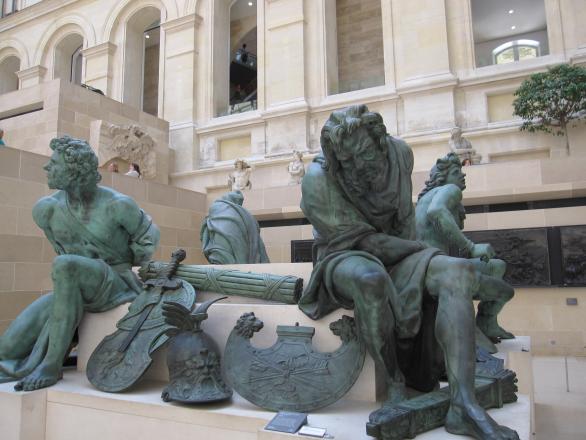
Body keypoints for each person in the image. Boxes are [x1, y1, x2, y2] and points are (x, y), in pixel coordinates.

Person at [299, 105, 518, 439]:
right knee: (371, 281)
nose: (358, 165)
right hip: (344, 254)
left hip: (400, 249)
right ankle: (394, 380)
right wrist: (419, 251)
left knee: (458, 272)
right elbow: (370, 244)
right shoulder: (318, 179)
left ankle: (463, 405)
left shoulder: (400, 155)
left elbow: (404, 224)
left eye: (365, 154)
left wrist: (421, 258)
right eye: (347, 160)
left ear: (380, 140)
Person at [0, 136, 160, 391]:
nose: (47, 168)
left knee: (65, 265)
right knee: (6, 349)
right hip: (75, 283)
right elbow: (62, 250)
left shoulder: (118, 205)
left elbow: (148, 242)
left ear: (74, 171)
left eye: (54, 164)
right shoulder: (46, 210)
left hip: (117, 282)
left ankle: (51, 365)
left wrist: (128, 267)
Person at [416, 153, 514, 342]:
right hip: (435, 266)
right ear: (442, 178)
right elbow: (436, 211)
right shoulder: (449, 189)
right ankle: (485, 322)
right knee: (506, 291)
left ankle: (487, 324)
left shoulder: (425, 198)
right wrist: (471, 247)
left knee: (497, 266)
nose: (463, 175)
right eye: (456, 172)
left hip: (425, 265)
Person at [200, 190, 270, 264]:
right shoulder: (247, 215)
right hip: (236, 254)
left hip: (219, 252)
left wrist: (206, 246)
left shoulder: (216, 207)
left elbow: (205, 231)